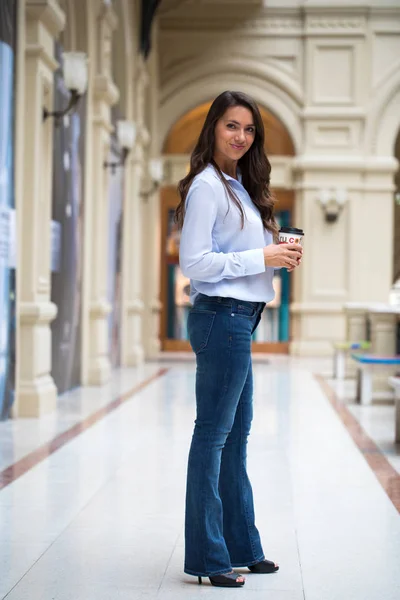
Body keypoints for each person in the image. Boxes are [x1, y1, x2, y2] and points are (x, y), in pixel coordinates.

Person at [176, 90, 303, 589]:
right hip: (220, 317)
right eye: (232, 126)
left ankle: (241, 547)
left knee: (235, 438)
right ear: (213, 128)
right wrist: (262, 259)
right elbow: (196, 264)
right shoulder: (207, 186)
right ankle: (209, 558)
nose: (241, 137)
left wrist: (276, 254)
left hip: (240, 318)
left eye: (249, 130)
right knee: (213, 436)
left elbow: (239, 256)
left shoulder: (239, 186)